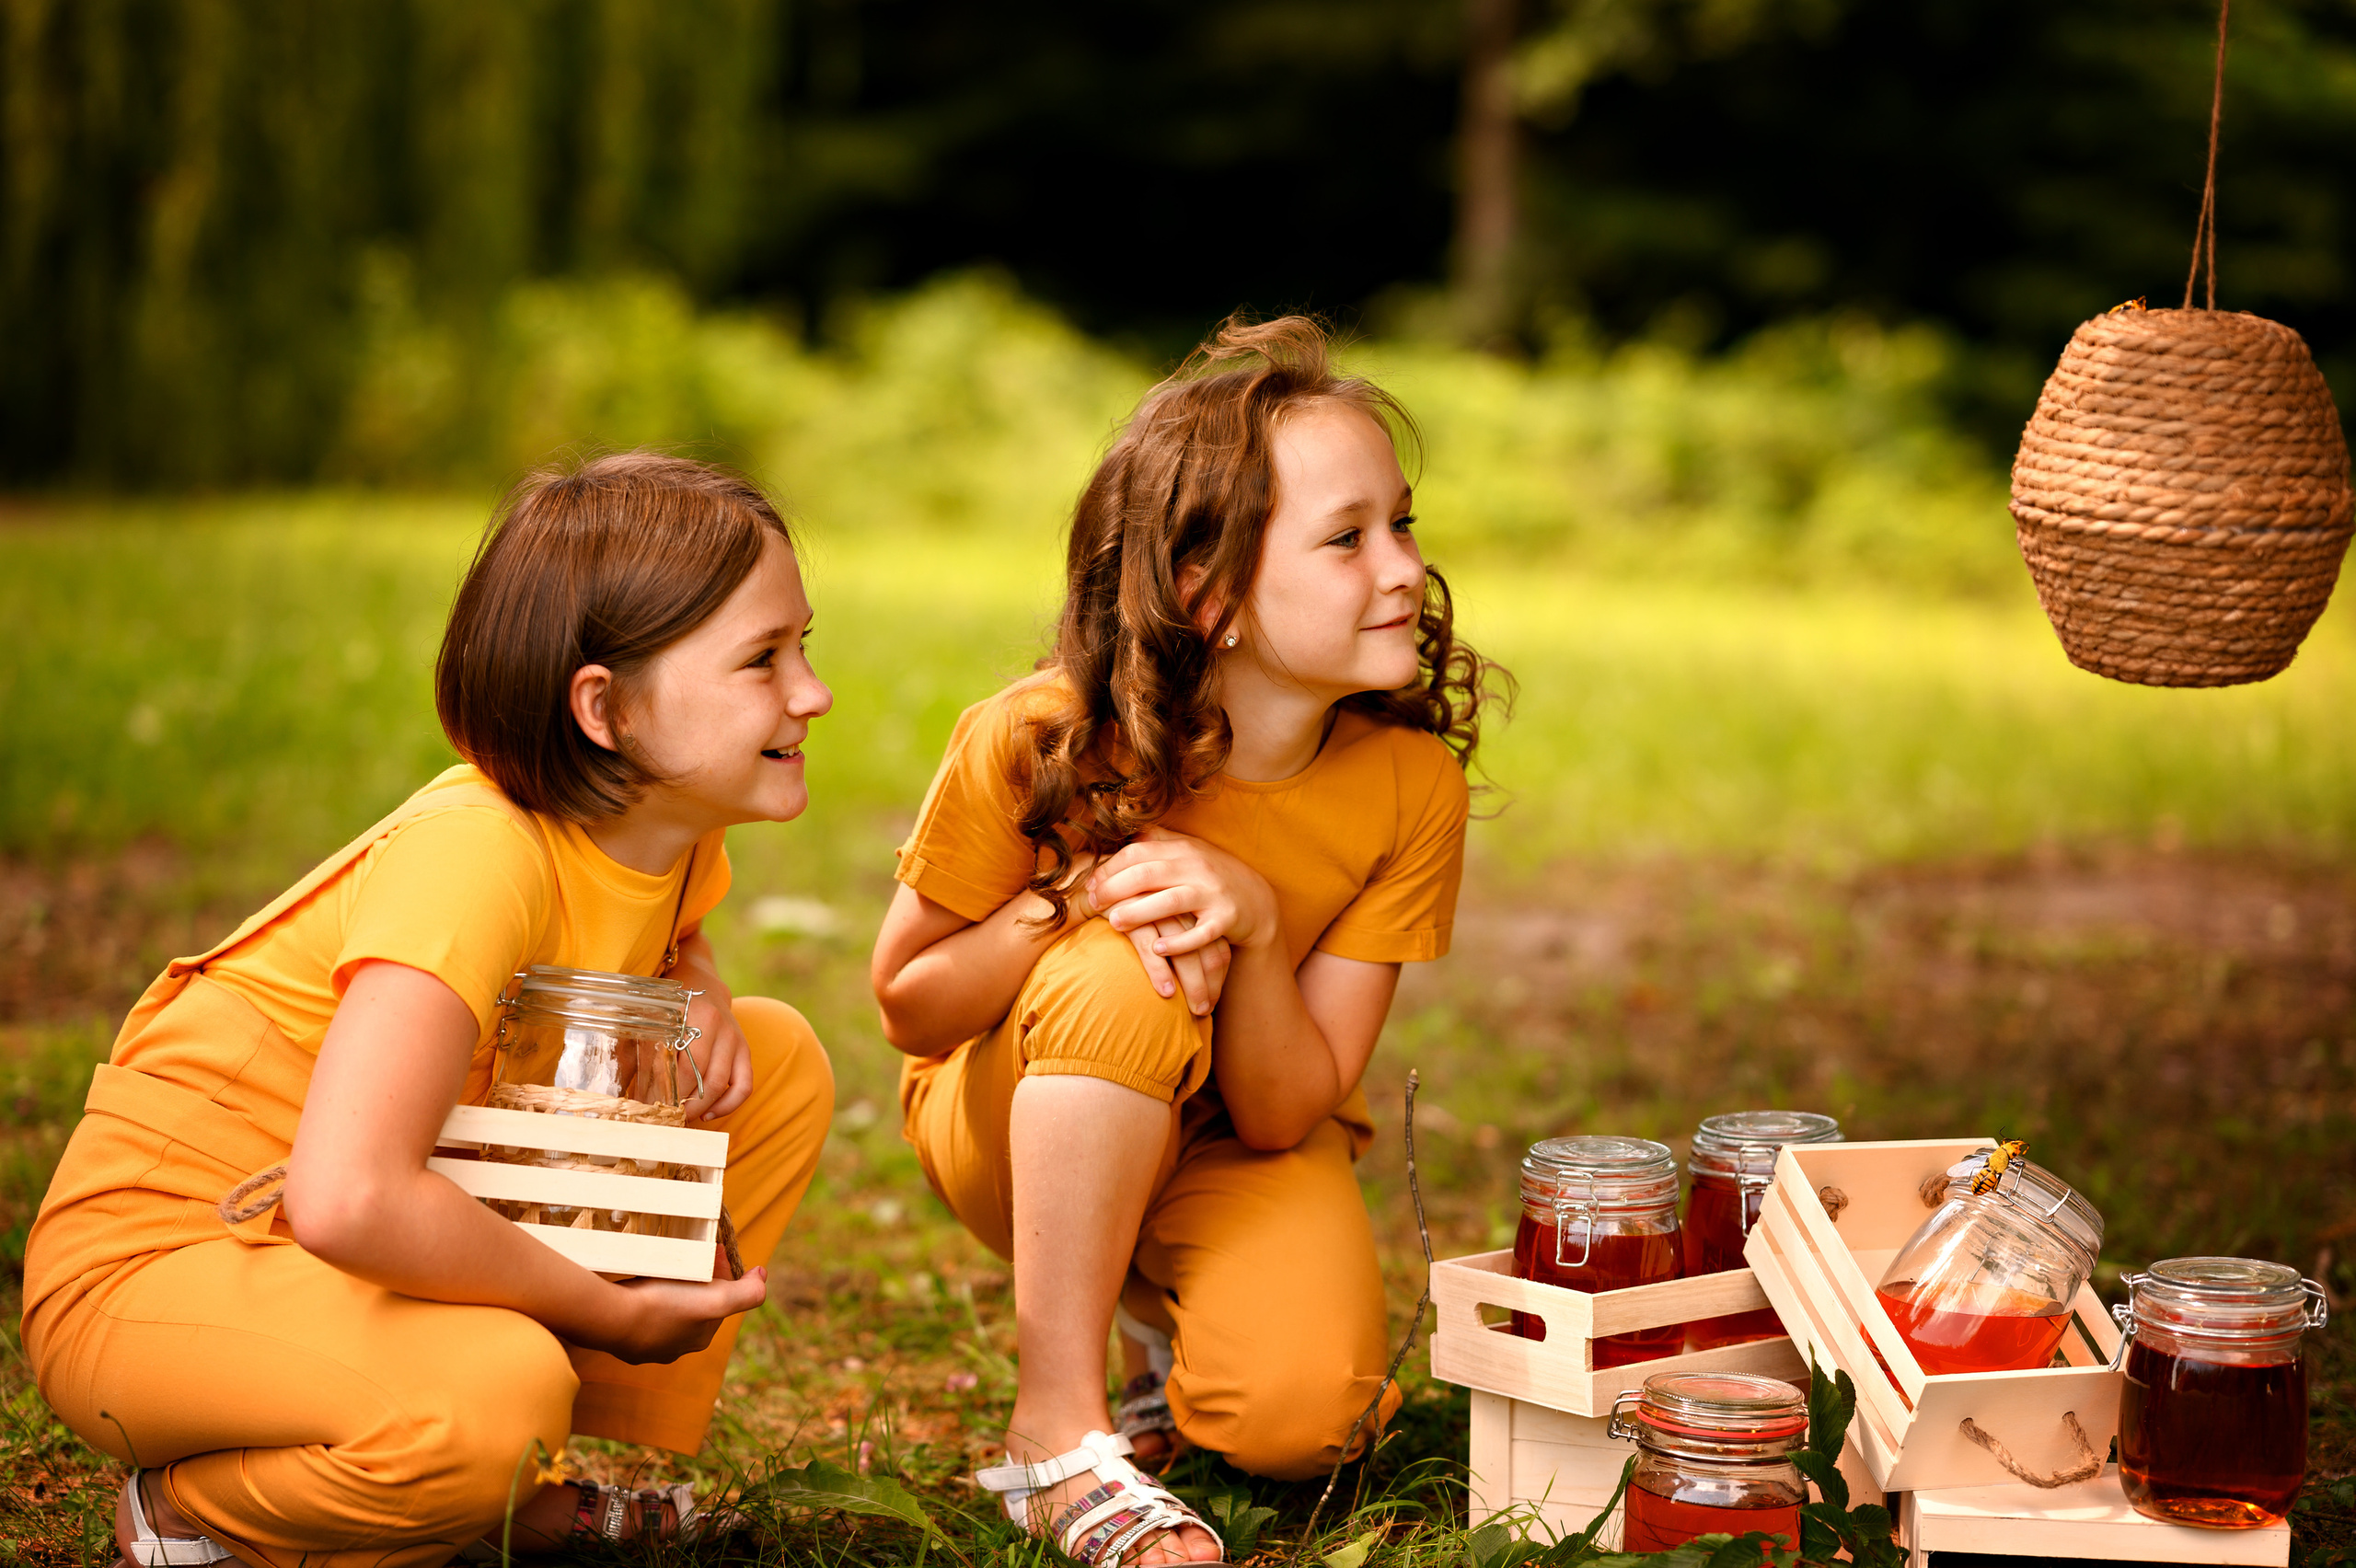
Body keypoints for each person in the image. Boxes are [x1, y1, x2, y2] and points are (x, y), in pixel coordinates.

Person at [22, 454, 837, 1568]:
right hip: (169, 1261)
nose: (811, 692)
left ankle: (505, 1484)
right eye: (762, 660)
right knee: (485, 1405)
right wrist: (606, 1312)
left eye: (804, 647)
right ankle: (192, 1507)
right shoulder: (473, 856)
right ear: (604, 709)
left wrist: (691, 985)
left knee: (770, 1055)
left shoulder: (671, 834)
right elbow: (348, 1199)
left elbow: (661, 929)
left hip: (349, 1240)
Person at [871, 317, 1506, 1567]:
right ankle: (1058, 1434)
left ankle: (1162, 1322)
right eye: (1346, 539)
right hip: (1015, 1114)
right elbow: (909, 1006)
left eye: (1404, 523)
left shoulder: (1407, 785)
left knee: (1306, 1418)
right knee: (1135, 960)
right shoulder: (1036, 735)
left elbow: (1283, 1112)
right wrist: (1075, 902)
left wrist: (1260, 927)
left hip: (1231, 1137)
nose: (1402, 570)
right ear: (1209, 599)